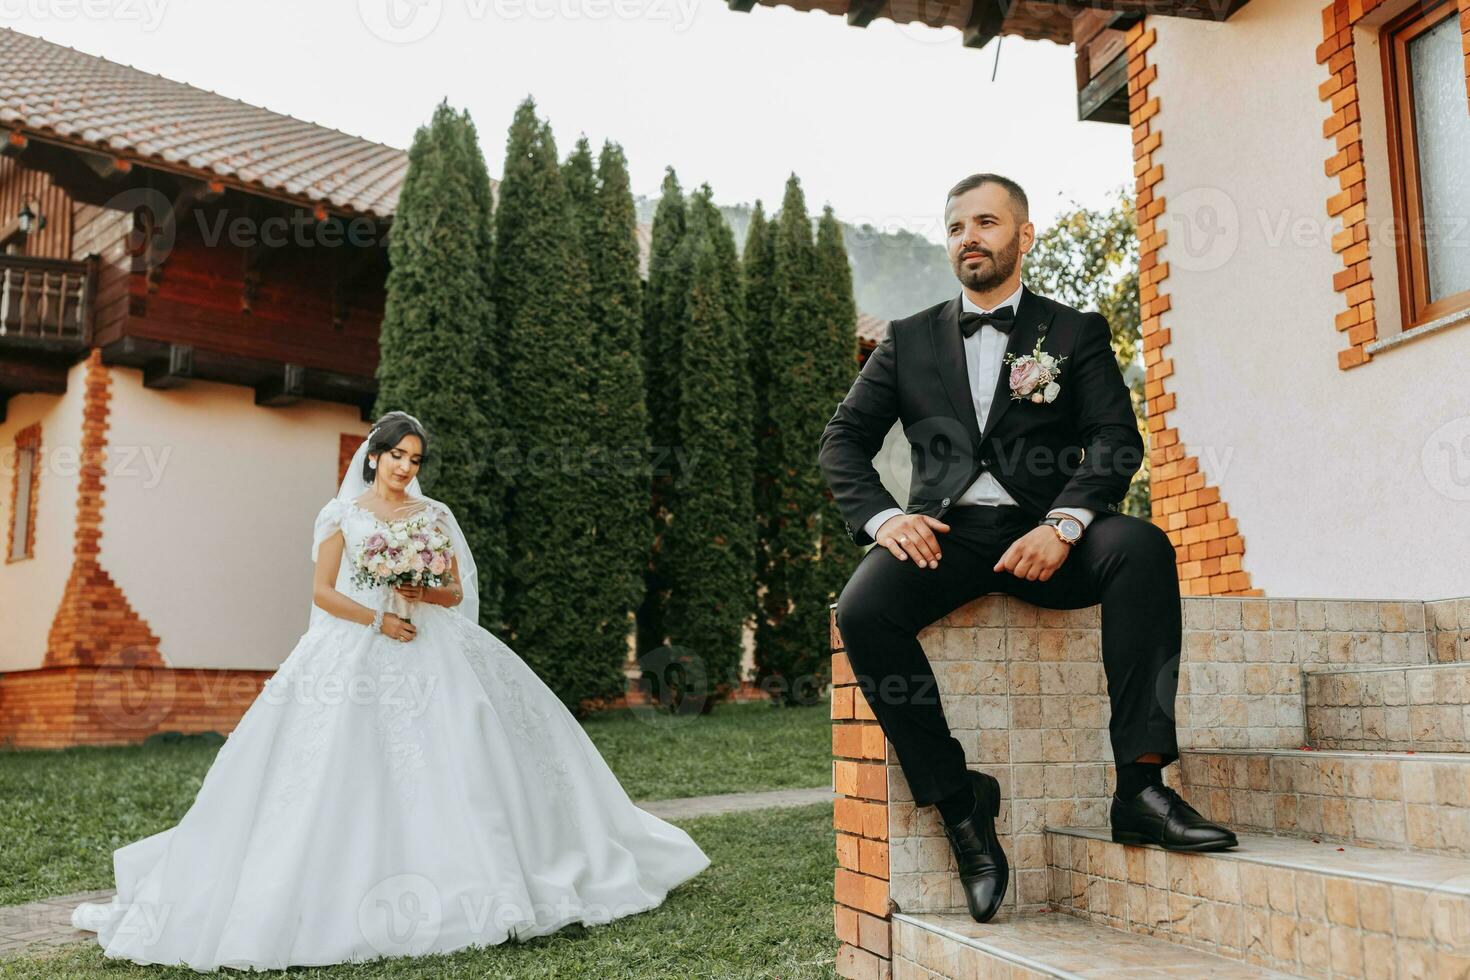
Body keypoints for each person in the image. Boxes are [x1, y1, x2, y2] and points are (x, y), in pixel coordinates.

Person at [71, 411, 710, 970]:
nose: (405, 466)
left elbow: (455, 593)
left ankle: (490, 881)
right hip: (356, 643)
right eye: (397, 455)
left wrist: (418, 590)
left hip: (430, 640)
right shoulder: (341, 513)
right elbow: (322, 592)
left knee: (464, 745)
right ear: (373, 457)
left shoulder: (435, 516)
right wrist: (379, 617)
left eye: (416, 459)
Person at [818, 174, 1235, 925]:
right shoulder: (907, 341)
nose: (968, 237)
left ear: (1024, 235)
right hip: (944, 536)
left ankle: (1139, 788)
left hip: (1049, 531)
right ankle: (960, 805)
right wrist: (883, 520)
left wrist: (1067, 521)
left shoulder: (1073, 332)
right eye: (955, 227)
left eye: (985, 221)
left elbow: (1114, 439)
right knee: (863, 608)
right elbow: (842, 442)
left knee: (1141, 547)